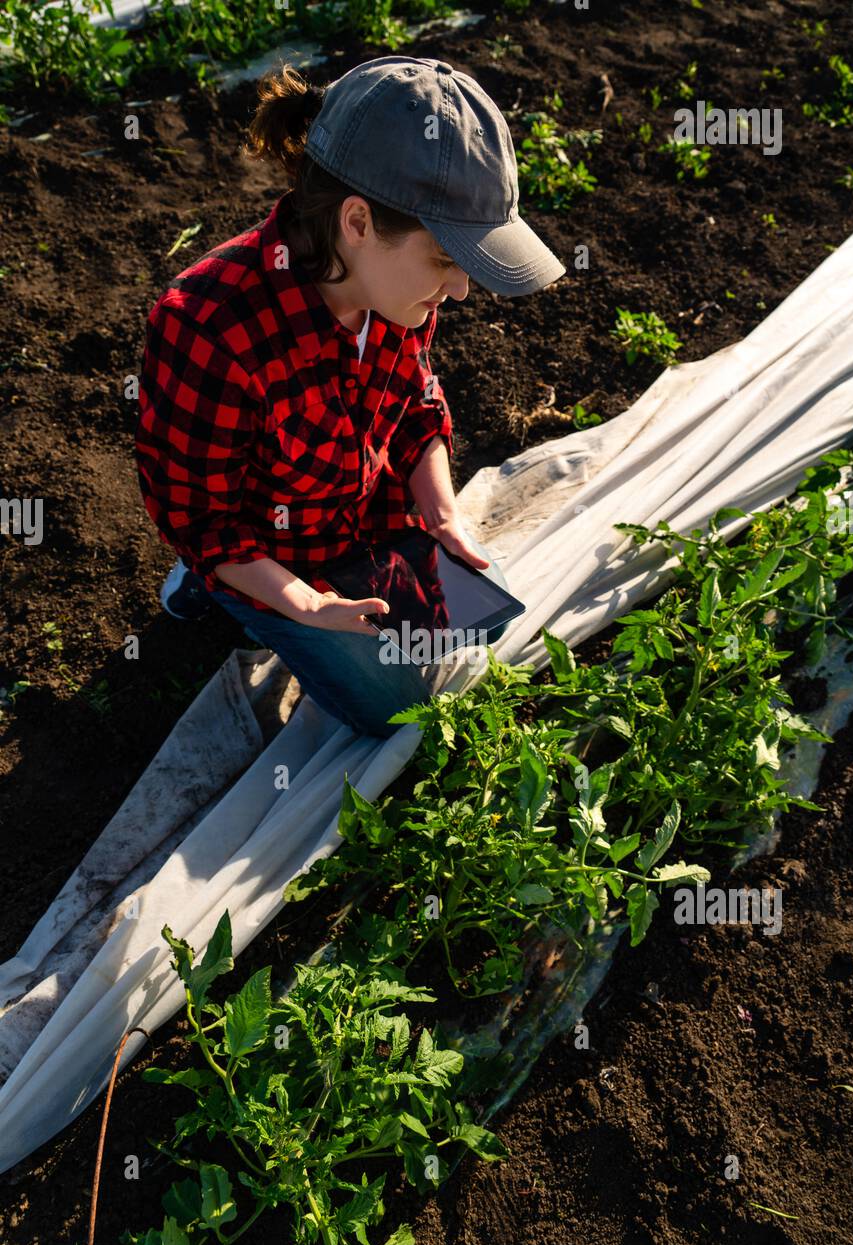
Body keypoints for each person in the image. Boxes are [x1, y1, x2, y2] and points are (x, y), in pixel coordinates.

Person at [136, 55, 566, 738]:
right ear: (357, 222)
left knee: (481, 631)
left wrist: (439, 509)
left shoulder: (397, 291)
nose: (458, 291)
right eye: (447, 260)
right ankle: (217, 593)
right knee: (396, 709)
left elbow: (417, 404)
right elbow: (201, 516)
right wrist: (304, 605)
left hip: (365, 516)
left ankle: (263, 592)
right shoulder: (206, 328)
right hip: (278, 551)